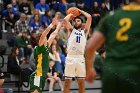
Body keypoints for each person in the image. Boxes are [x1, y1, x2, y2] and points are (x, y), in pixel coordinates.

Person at [85, 0, 140, 93]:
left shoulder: (111, 16)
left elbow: (90, 47)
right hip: (134, 73)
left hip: (111, 74)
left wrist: (89, 69)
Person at [29, 17, 62, 93]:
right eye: (45, 38)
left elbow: (53, 35)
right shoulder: (39, 47)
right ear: (41, 39)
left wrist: (58, 26)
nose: (47, 38)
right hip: (38, 75)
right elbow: (44, 35)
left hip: (43, 76)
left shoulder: (45, 46)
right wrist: (51, 25)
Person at [63, 8, 92, 93]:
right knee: (67, 83)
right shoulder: (71, 30)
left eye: (78, 21)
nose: (76, 22)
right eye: (75, 21)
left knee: (81, 83)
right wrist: (72, 15)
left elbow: (89, 17)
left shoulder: (85, 32)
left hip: (80, 58)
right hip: (70, 58)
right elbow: (65, 20)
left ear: (82, 23)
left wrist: (79, 11)